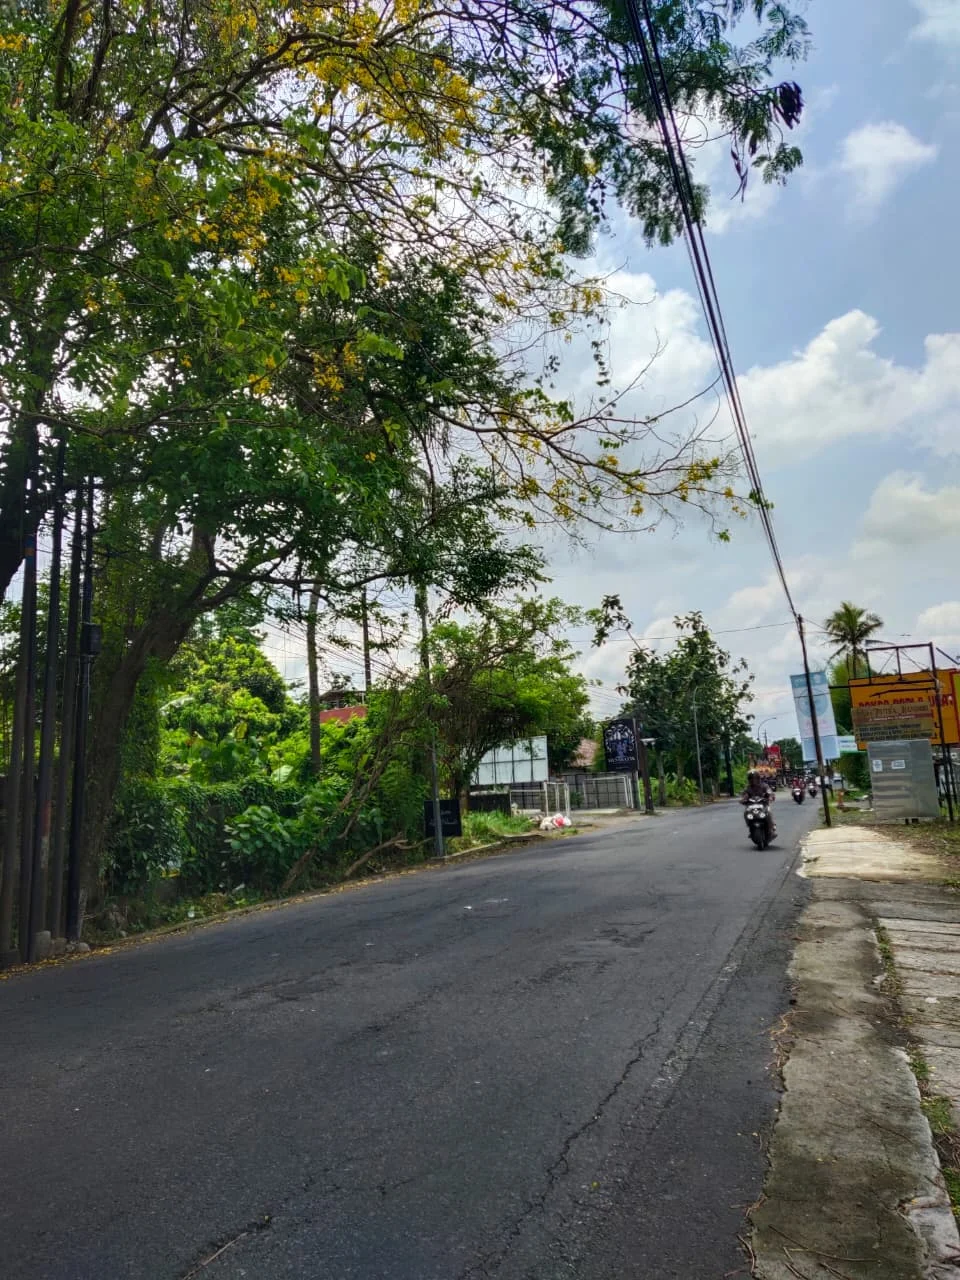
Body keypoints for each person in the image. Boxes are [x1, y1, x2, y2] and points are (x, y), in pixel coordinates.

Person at [741, 770, 777, 838]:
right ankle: (750, 826)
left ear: (758, 778)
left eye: (755, 778)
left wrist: (770, 797)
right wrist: (743, 800)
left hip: (763, 804)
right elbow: (744, 795)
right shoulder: (748, 787)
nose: (753, 780)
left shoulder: (764, 785)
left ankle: (771, 828)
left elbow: (770, 792)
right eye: (751, 778)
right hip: (751, 805)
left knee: (768, 812)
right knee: (746, 812)